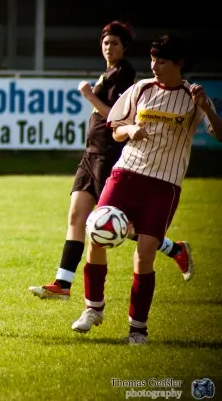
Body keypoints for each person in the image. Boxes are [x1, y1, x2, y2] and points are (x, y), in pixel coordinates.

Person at [71, 34, 222, 344]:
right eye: (152, 59)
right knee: (96, 234)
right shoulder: (141, 89)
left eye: (161, 61)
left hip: (163, 185)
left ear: (179, 63)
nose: (154, 66)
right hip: (125, 174)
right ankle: (93, 309)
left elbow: (219, 135)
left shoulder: (194, 98)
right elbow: (115, 129)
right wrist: (130, 129)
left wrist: (207, 109)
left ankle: (137, 329)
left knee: (144, 256)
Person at [28, 21, 193, 301]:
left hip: (109, 155)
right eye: (106, 42)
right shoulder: (108, 72)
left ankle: (174, 249)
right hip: (91, 154)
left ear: (125, 47)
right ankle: (63, 284)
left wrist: (88, 95)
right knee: (78, 216)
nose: (109, 47)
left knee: (110, 222)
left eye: (115, 43)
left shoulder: (124, 74)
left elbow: (113, 116)